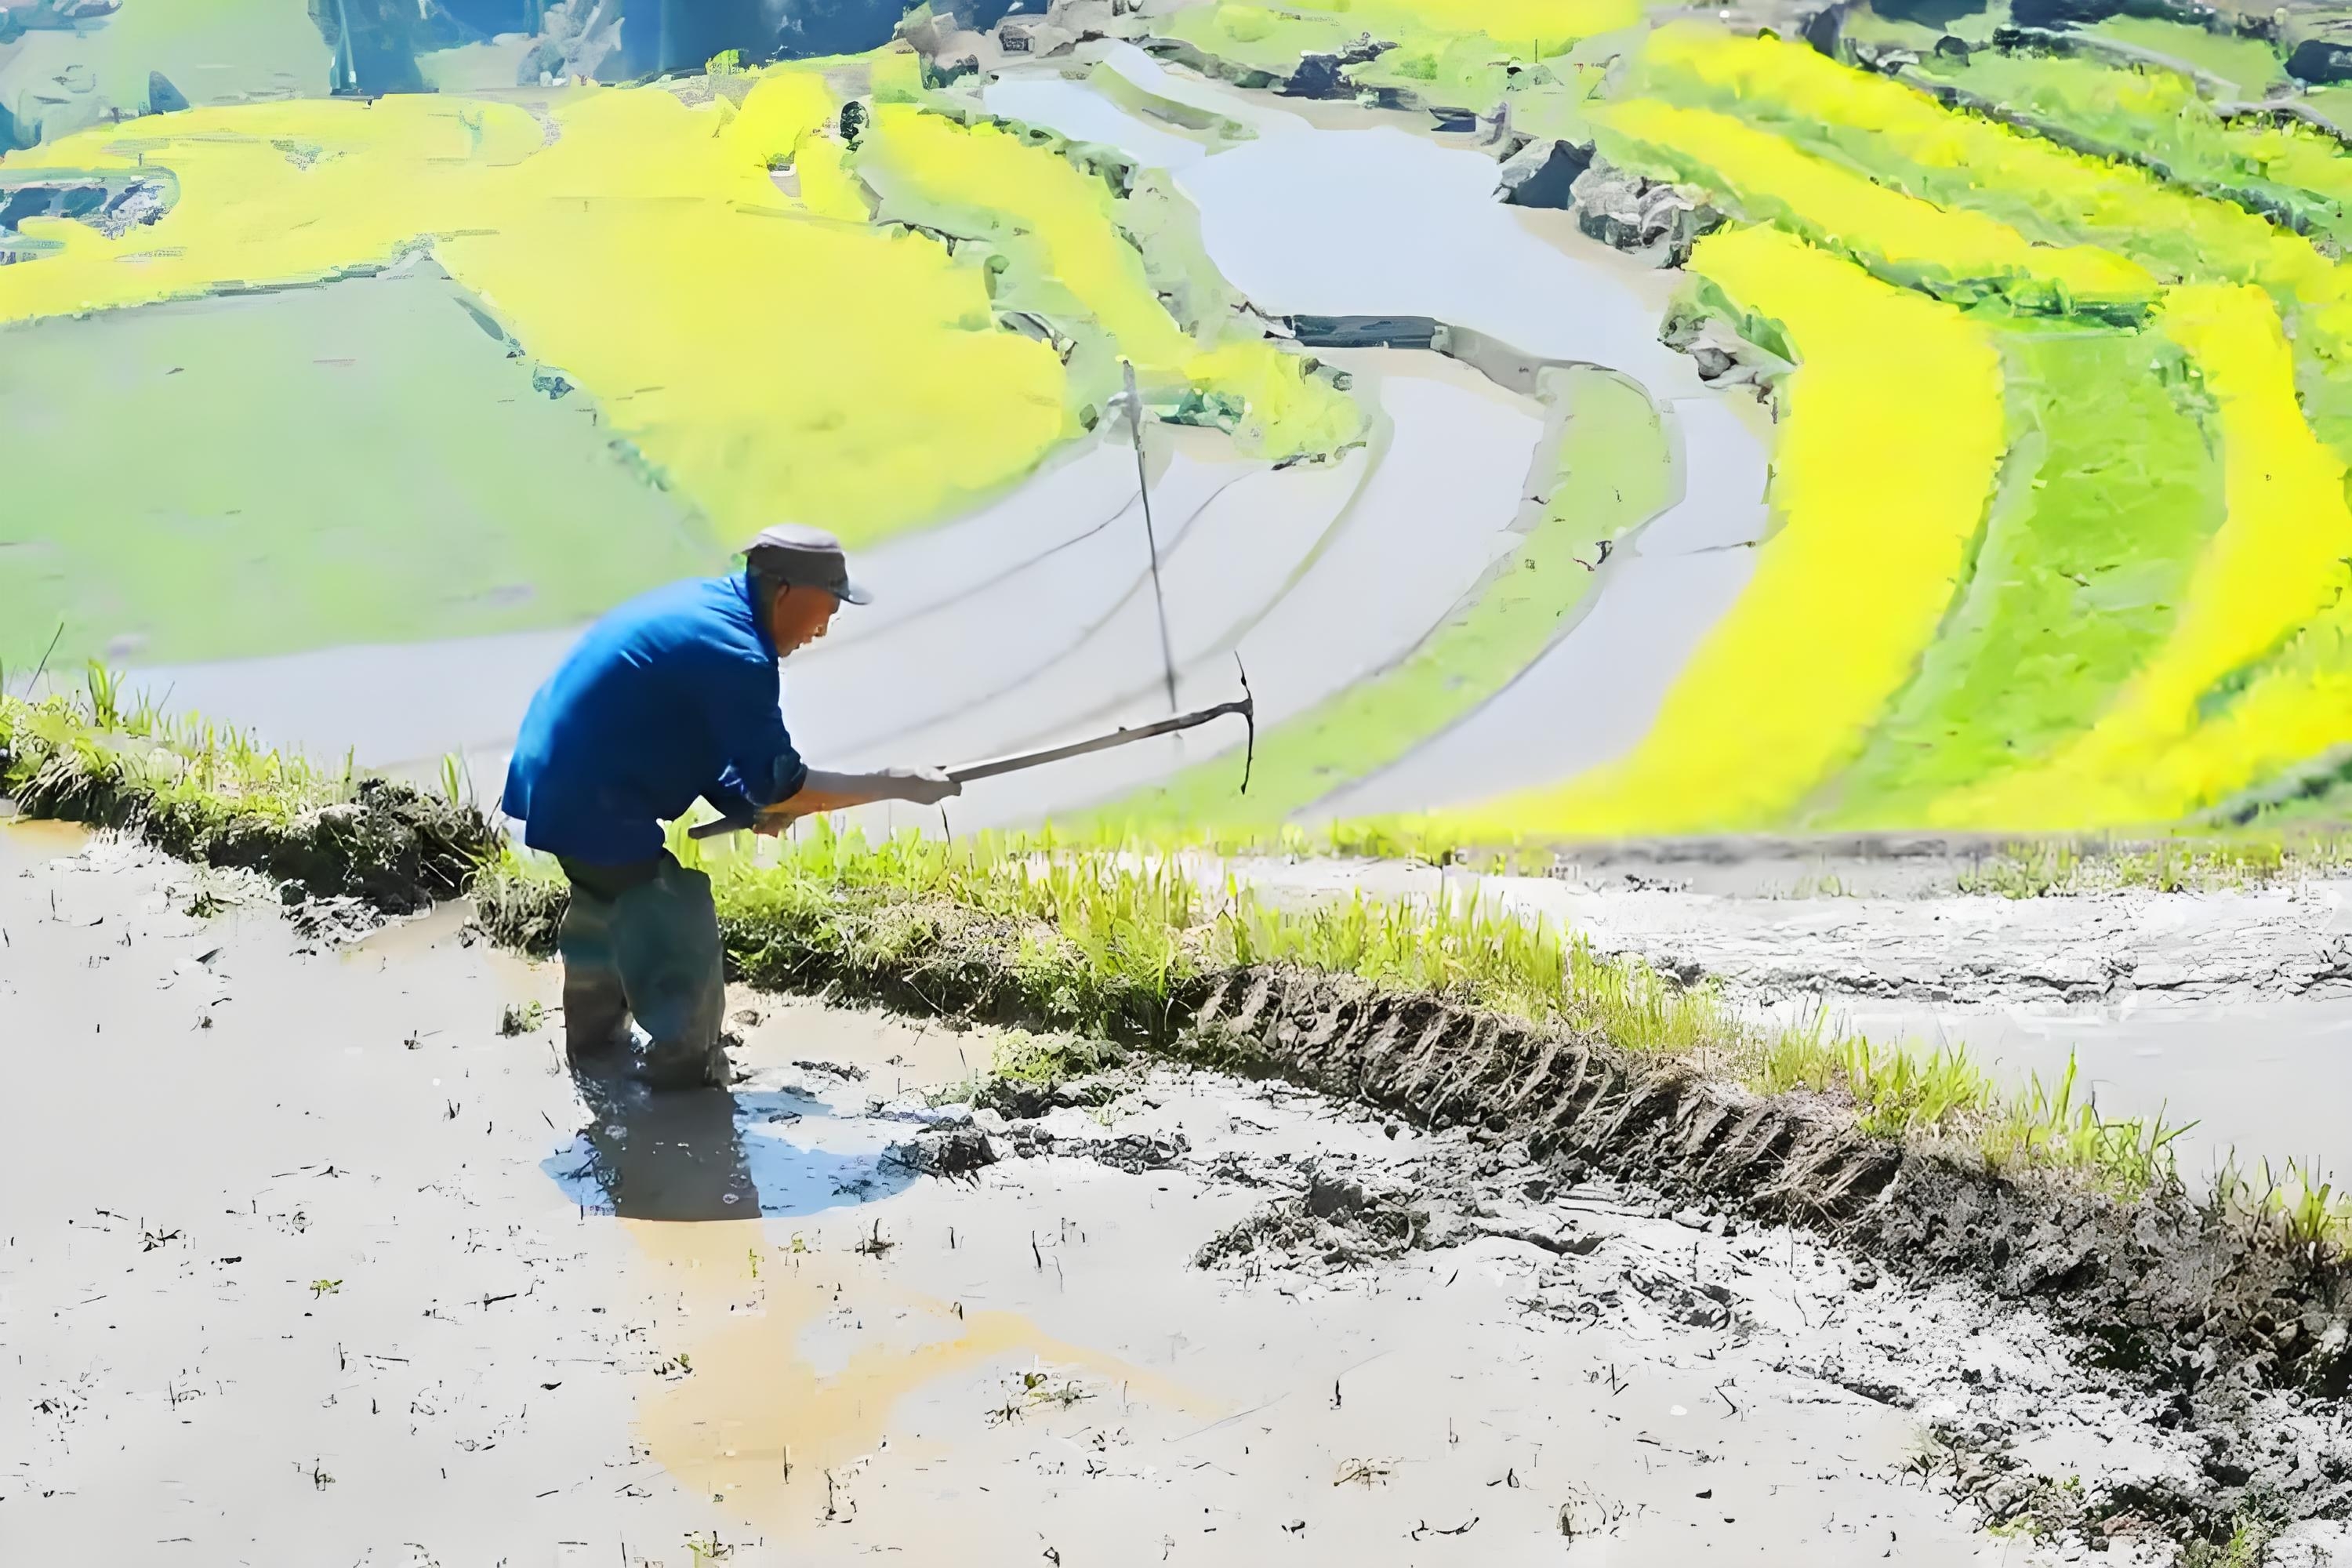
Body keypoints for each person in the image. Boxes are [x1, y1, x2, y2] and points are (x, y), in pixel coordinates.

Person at [501, 524, 958, 1091]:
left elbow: (698, 733)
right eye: (828, 605)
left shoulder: (714, 610)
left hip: (562, 770)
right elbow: (785, 784)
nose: (827, 624)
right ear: (786, 591)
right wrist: (896, 784)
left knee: (607, 905)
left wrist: (744, 799)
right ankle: (687, 1079)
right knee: (672, 918)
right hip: (589, 791)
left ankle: (596, 1055)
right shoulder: (738, 652)